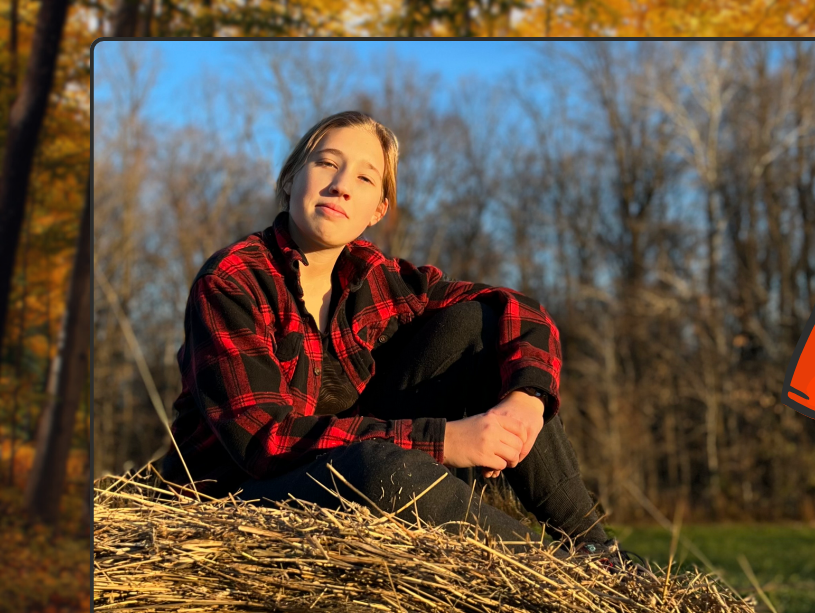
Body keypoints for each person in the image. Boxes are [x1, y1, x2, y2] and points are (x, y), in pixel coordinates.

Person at [162, 111, 614, 557]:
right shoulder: (233, 280)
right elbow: (265, 441)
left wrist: (527, 398)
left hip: (354, 468)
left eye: (364, 178)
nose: (341, 185)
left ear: (378, 209)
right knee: (381, 470)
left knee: (476, 324)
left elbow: (515, 308)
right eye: (326, 162)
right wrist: (447, 440)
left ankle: (598, 552)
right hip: (239, 500)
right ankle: (555, 572)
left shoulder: (377, 279)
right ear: (290, 178)